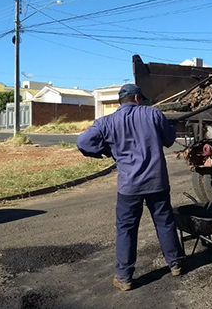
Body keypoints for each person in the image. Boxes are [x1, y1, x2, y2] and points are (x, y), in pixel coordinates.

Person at [76, 84, 184, 291]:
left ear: (121, 101)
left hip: (129, 187)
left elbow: (83, 142)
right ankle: (176, 264)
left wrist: (104, 150)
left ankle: (124, 278)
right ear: (136, 98)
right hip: (157, 183)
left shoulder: (106, 122)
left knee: (126, 229)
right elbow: (170, 140)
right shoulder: (154, 114)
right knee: (165, 223)